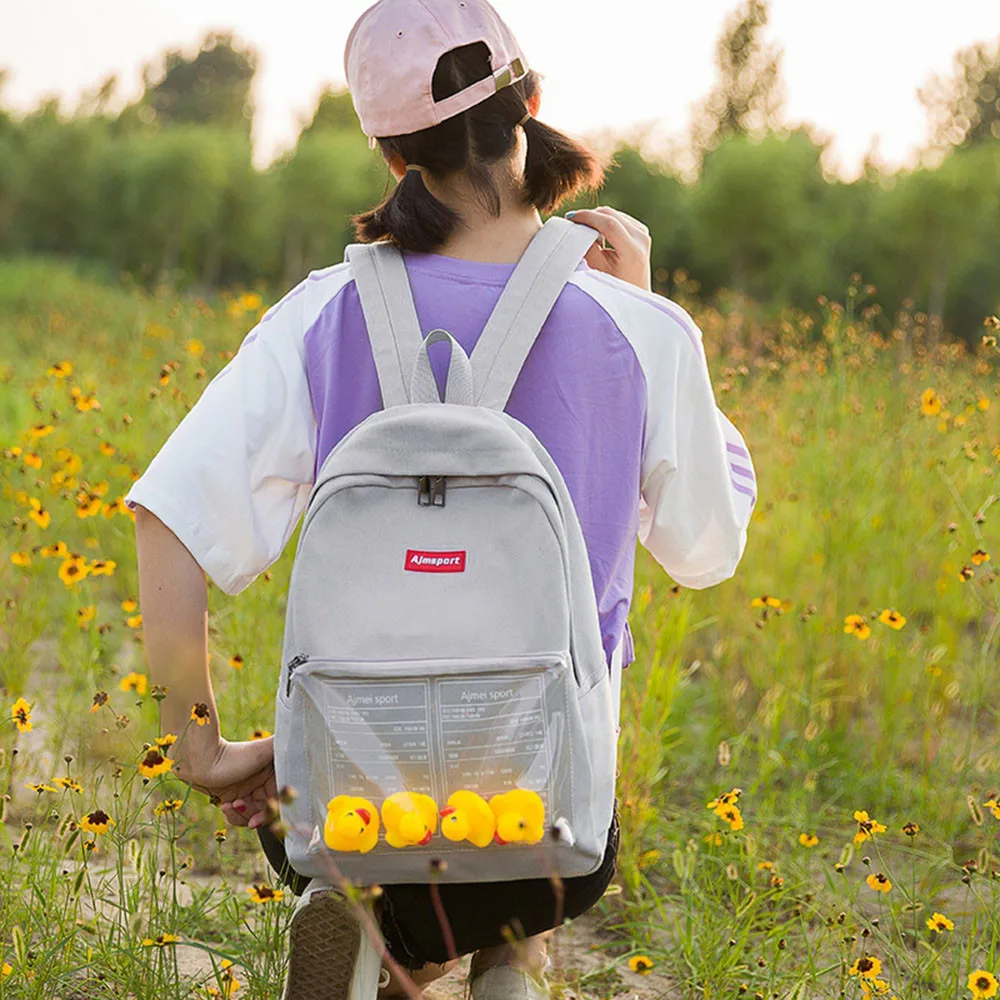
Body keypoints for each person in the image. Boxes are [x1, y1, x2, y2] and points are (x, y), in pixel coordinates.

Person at [126, 1, 756, 997]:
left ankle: (377, 949)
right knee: (522, 881)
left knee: (377, 876)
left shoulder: (321, 314)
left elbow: (165, 515)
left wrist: (201, 742)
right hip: (546, 829)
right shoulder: (637, 331)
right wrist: (649, 309)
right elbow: (703, 551)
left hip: (343, 814)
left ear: (388, 152)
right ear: (530, 105)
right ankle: (502, 966)